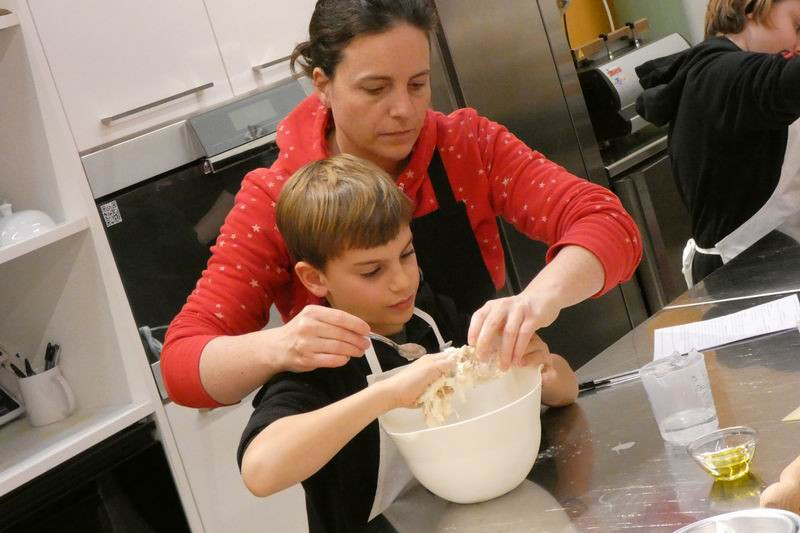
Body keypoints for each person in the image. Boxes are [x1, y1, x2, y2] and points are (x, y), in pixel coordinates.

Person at [161, 0, 641, 408]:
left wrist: (537, 302)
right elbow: (182, 366)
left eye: (417, 84)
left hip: (488, 416)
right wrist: (280, 346)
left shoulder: (465, 146)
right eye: (375, 89)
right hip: (370, 457)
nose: (404, 110)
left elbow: (608, 224)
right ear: (322, 84)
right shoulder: (275, 197)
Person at [237, 154, 579, 532]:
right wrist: (388, 396)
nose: (402, 281)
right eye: (372, 271)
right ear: (315, 278)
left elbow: (567, 389)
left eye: (406, 254)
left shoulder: (432, 318)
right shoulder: (319, 361)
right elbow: (260, 471)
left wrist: (540, 367)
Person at [636, 0, 800, 287]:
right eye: (797, 26)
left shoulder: (737, 76)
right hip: (743, 273)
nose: (798, 43)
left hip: (777, 257)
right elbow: (785, 82)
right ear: (752, 7)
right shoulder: (719, 74)